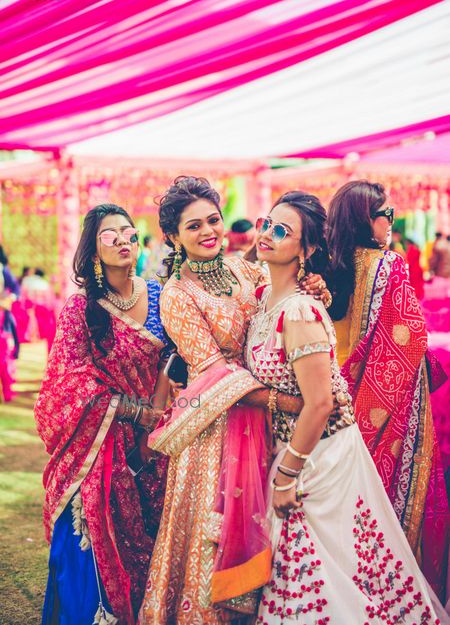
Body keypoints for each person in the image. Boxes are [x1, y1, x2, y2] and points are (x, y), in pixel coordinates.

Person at [245, 191, 444, 625]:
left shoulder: (298, 311)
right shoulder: (262, 300)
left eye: (282, 231)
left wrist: (286, 474)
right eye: (266, 223)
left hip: (319, 456)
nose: (267, 235)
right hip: (288, 449)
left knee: (320, 583)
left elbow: (320, 403)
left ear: (308, 248)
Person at [138, 177, 329, 624]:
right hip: (214, 431)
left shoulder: (247, 270)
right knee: (213, 535)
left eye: (212, 220)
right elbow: (211, 370)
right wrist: (282, 401)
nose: (207, 231)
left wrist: (314, 287)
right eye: (193, 226)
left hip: (263, 427)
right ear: (173, 237)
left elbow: (286, 305)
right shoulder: (177, 295)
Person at [34, 204, 171, 625]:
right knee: (91, 547)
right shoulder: (80, 309)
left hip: (159, 443)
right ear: (94, 252)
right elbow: (65, 381)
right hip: (98, 450)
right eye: (109, 235)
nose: (123, 240)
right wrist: (131, 410)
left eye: (128, 232)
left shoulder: (161, 296)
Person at [327, 180, 448, 604]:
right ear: (367, 220)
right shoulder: (389, 265)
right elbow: (411, 338)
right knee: (392, 518)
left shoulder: (324, 268)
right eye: (387, 215)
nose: (391, 223)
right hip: (387, 414)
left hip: (331, 412)